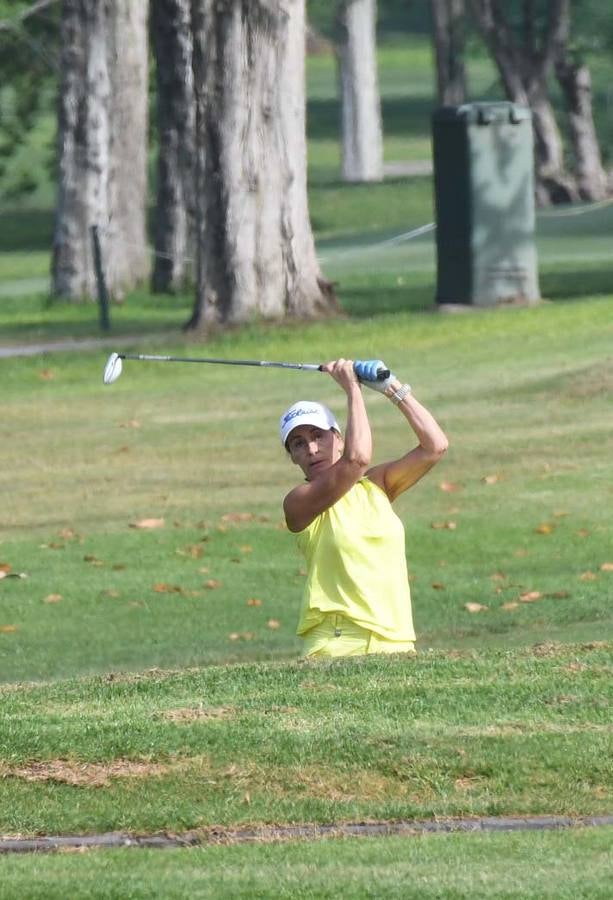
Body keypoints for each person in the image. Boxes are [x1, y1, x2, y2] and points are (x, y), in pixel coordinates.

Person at [279, 358, 448, 658]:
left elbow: (435, 446)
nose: (312, 449)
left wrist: (391, 386)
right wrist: (352, 389)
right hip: (335, 643)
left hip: (396, 641)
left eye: (319, 435)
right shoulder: (299, 503)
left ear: (339, 438)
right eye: (298, 444)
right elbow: (357, 459)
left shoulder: (377, 485)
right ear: (292, 457)